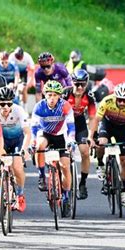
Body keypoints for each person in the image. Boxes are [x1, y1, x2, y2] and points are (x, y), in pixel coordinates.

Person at [87, 82, 125, 206]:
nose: (122, 103)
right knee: (102, 143)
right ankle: (100, 164)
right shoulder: (106, 101)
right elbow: (96, 119)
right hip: (107, 124)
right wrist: (91, 136)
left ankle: (123, 190)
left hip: (122, 128)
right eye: (120, 100)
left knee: (124, 159)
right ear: (115, 97)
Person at [31, 80, 76, 217]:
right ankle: (41, 175)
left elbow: (71, 127)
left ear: (59, 96)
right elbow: (34, 127)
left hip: (61, 137)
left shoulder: (65, 106)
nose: (51, 98)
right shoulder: (39, 107)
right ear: (45, 95)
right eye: (49, 95)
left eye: (55, 95)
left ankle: (67, 196)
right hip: (46, 135)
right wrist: (33, 142)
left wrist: (71, 141)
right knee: (39, 145)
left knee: (65, 166)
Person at [0, 87, 31, 212]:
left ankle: (20, 195)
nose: (6, 107)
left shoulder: (19, 110)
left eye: (9, 103)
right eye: (2, 104)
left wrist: (24, 150)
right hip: (1, 142)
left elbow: (28, 133)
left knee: (17, 167)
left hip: (17, 141)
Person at [62, 69, 96, 199]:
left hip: (80, 122)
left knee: (85, 151)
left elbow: (93, 118)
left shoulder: (89, 96)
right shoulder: (65, 94)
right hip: (64, 122)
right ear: (72, 82)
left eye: (83, 84)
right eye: (77, 84)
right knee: (62, 153)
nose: (80, 87)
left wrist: (91, 136)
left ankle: (82, 183)